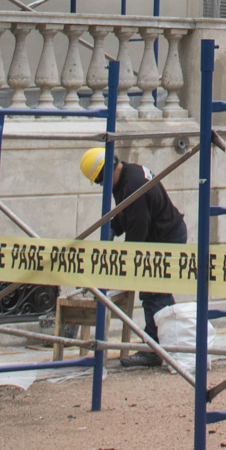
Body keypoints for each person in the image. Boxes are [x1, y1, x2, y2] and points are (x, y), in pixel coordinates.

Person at [83, 145, 187, 368]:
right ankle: (167, 343)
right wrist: (112, 228)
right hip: (162, 234)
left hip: (165, 238)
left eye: (100, 182)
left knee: (153, 292)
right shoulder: (127, 174)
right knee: (156, 292)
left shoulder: (133, 186)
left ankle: (155, 350)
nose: (102, 187)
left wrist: (124, 265)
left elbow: (137, 232)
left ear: (106, 174)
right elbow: (124, 212)